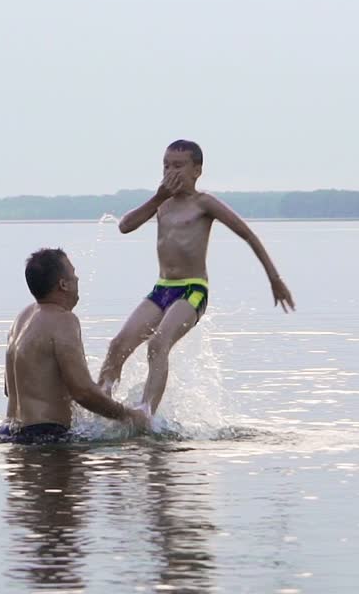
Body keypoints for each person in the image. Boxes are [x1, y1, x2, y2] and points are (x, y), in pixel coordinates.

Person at [97, 139, 295, 416]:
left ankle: (145, 414)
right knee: (117, 345)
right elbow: (124, 226)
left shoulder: (205, 203)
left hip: (192, 290)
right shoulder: (161, 203)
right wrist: (157, 197)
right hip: (161, 289)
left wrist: (274, 279)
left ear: (196, 170)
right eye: (166, 165)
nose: (171, 172)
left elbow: (247, 234)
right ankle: (99, 407)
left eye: (178, 165)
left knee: (158, 344)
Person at [0, 248, 149, 444]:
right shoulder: (64, 321)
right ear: (63, 284)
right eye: (73, 274)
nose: (77, 279)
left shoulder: (22, 318)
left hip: (8, 431)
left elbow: (10, 389)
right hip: (45, 436)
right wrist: (128, 415)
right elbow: (82, 391)